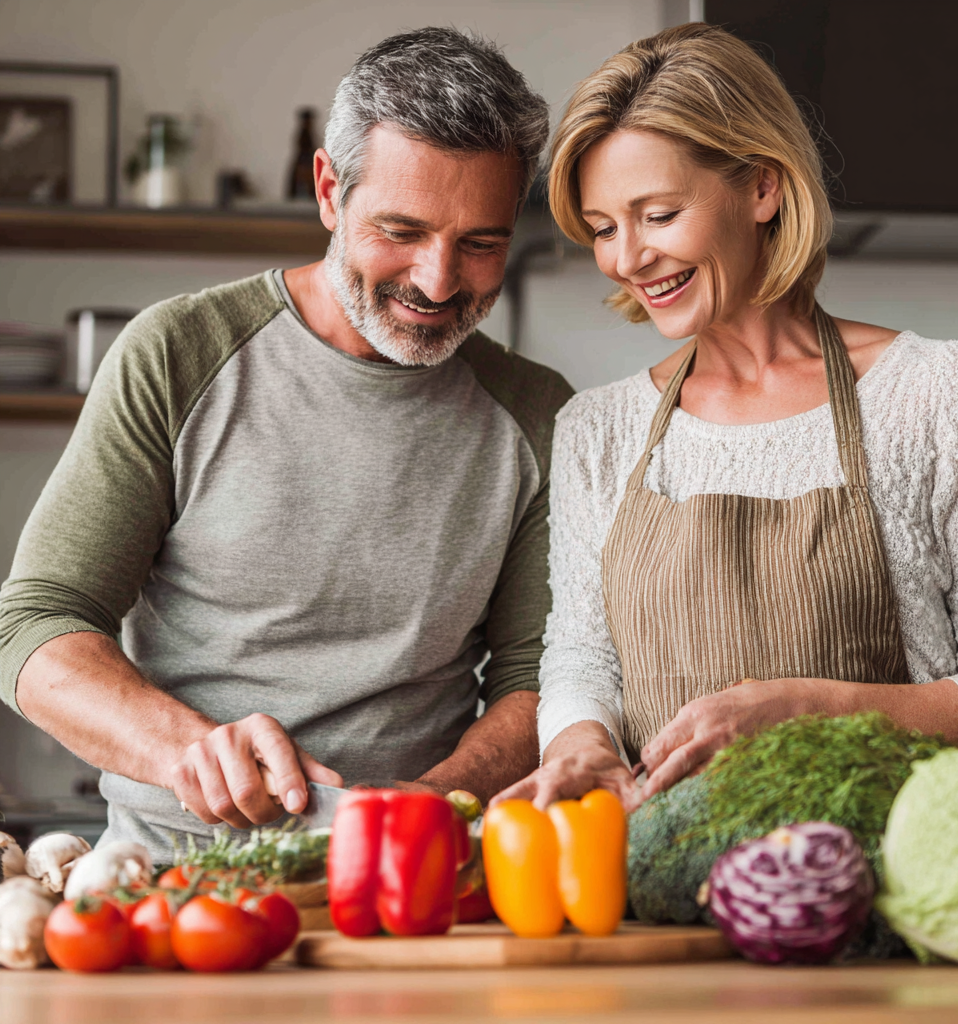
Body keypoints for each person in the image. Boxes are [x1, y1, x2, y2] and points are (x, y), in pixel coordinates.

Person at [0, 28, 572, 859]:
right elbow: (34, 625)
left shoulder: (536, 413)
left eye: (481, 243)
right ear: (329, 191)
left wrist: (435, 800)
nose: (438, 280)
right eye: (401, 230)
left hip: (413, 874)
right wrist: (191, 750)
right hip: (174, 876)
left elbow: (536, 678)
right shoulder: (179, 352)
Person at [497, 24, 958, 812]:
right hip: (661, 889)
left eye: (659, 214)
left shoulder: (936, 391)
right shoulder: (597, 430)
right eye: (604, 228)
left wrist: (812, 710)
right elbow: (581, 659)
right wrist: (579, 742)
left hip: (887, 891)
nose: (627, 258)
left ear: (763, 188)